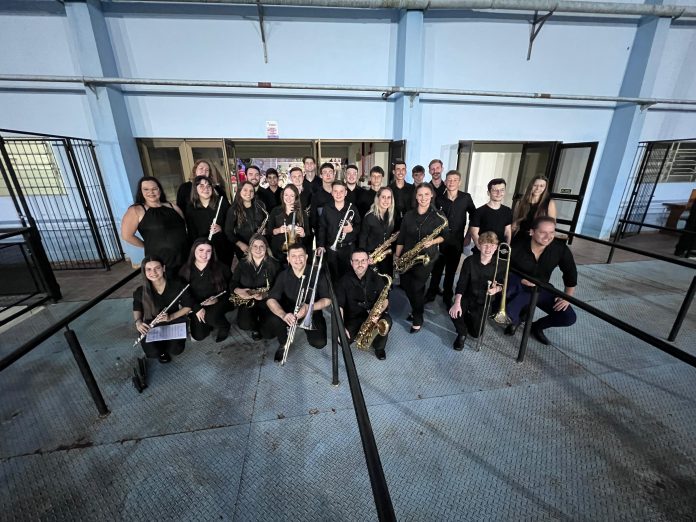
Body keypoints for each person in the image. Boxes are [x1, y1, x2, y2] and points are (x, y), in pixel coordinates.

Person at [505, 216, 577, 345]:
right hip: (519, 286)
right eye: (543, 232)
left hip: (542, 288)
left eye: (552, 232)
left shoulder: (559, 248)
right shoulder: (517, 246)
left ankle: (536, 327)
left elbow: (570, 273)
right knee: (509, 313)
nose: (548, 237)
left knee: (568, 317)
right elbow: (502, 269)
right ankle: (517, 320)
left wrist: (567, 297)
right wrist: (520, 280)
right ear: (532, 232)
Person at [395, 183, 448, 333]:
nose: (423, 198)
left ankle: (418, 318)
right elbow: (402, 237)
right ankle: (415, 309)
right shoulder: (409, 215)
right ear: (416, 197)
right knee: (407, 286)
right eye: (420, 194)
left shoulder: (438, 216)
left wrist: (433, 241)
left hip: (426, 257)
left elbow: (445, 236)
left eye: (426, 194)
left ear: (431, 195)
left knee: (416, 288)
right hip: (407, 255)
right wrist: (397, 256)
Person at [266, 245, 331, 362]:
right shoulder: (283, 275)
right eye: (293, 256)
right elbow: (271, 300)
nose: (297, 259)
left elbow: (327, 299)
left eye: (301, 256)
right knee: (273, 319)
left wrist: (309, 307)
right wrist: (283, 315)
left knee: (319, 343)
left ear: (306, 257)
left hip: (312, 310)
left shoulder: (317, 273)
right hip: (289, 311)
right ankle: (283, 343)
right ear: (288, 259)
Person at [426, 170, 476, 307]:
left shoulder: (466, 198)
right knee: (436, 269)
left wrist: (468, 235)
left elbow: (474, 217)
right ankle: (431, 293)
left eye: (455, 180)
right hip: (440, 240)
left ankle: (447, 296)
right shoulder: (439, 199)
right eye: (449, 180)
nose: (452, 182)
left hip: (457, 241)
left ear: (459, 182)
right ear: (445, 182)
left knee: (451, 271)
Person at [121, 176, 188, 277]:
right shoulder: (136, 210)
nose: (151, 192)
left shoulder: (172, 206)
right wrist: (146, 245)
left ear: (160, 190)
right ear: (141, 192)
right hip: (161, 260)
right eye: (146, 189)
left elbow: (185, 226)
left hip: (185, 256)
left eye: (154, 189)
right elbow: (127, 236)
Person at [448, 232, 504, 350]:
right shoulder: (469, 261)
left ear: (496, 247)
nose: (488, 249)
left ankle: (468, 317)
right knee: (454, 312)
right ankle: (462, 334)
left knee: (476, 333)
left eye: (492, 245)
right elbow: (461, 283)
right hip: (467, 296)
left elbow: (503, 285)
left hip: (484, 300)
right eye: (485, 245)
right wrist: (457, 303)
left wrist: (496, 289)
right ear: (479, 245)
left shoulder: (500, 265)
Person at [133, 256, 192, 363]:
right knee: (153, 352)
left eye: (157, 268)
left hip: (174, 319)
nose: (153, 272)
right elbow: (137, 307)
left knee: (176, 350)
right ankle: (162, 352)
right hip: (152, 323)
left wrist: (171, 317)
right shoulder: (141, 291)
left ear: (163, 268)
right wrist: (138, 322)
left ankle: (169, 345)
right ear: (144, 271)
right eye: (149, 269)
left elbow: (188, 306)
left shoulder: (177, 285)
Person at [336, 249, 392, 360]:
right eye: (356, 261)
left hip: (374, 314)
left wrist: (379, 312)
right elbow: (339, 307)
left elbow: (385, 299)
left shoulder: (377, 277)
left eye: (363, 260)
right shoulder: (343, 281)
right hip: (353, 317)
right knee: (343, 340)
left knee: (386, 322)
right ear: (351, 262)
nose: (360, 264)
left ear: (368, 261)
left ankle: (379, 347)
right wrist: (341, 328)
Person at [230, 234, 280, 340]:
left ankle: (263, 325)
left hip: (267, 299)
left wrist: (265, 294)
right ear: (250, 248)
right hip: (247, 299)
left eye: (262, 246)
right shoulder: (243, 263)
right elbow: (233, 282)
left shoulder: (274, 264)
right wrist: (238, 290)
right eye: (255, 246)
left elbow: (279, 287)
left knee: (269, 335)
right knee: (244, 324)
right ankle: (255, 327)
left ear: (266, 248)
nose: (258, 249)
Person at [179, 240, 231, 343]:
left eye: (208, 251)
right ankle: (209, 323)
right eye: (201, 250)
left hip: (219, 301)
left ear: (212, 252)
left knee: (210, 317)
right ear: (194, 251)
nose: (204, 254)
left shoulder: (221, 267)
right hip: (196, 304)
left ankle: (224, 326)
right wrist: (197, 308)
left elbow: (231, 287)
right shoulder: (185, 270)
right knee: (199, 336)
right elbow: (184, 295)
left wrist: (217, 299)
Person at [185, 175, 234, 265]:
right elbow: (192, 233)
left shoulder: (222, 202)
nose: (206, 188)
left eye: (208, 186)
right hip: (204, 252)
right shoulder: (191, 208)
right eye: (201, 186)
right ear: (195, 189)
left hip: (223, 248)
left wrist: (221, 228)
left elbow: (232, 224)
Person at [317, 180, 361, 279]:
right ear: (332, 193)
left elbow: (359, 226)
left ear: (346, 193)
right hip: (331, 249)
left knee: (348, 277)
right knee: (333, 277)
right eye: (335, 191)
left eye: (341, 191)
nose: (338, 194)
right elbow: (322, 227)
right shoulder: (327, 208)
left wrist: (352, 230)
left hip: (348, 249)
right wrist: (321, 245)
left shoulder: (352, 208)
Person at [224, 181, 268, 260]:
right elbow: (228, 231)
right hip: (244, 247)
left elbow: (266, 220)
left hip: (259, 244)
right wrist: (240, 244)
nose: (248, 193)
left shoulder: (260, 205)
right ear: (239, 191)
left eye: (251, 191)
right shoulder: (233, 210)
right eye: (245, 190)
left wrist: (266, 229)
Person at [359, 186, 395, 275]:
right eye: (383, 197)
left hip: (386, 255)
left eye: (389, 197)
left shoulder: (392, 216)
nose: (386, 200)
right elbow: (362, 239)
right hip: (372, 256)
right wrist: (366, 256)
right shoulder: (369, 217)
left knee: (387, 279)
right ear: (378, 198)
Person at [469, 178, 513, 250]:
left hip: (500, 251)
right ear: (488, 193)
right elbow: (474, 233)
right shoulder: (479, 211)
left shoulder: (507, 210)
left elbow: (507, 232)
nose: (499, 193)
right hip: (483, 251)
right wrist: (483, 250)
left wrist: (506, 248)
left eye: (502, 190)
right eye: (495, 190)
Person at [268, 184, 307, 264]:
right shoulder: (275, 211)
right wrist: (279, 230)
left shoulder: (302, 213)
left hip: (296, 253)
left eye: (292, 196)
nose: (288, 198)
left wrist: (303, 233)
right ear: (282, 195)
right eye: (286, 195)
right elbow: (269, 231)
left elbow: (308, 234)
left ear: (296, 197)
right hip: (277, 252)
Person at [289, 166, 314, 250]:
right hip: (290, 231)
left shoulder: (310, 193)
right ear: (291, 178)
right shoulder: (286, 194)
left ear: (303, 177)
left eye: (299, 176)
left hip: (307, 230)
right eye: (294, 177)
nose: (297, 179)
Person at [389, 160, 414, 231]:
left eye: (403, 169)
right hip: (392, 225)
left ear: (405, 172)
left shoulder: (412, 189)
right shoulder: (388, 189)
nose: (401, 172)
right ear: (394, 172)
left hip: (409, 224)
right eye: (398, 169)